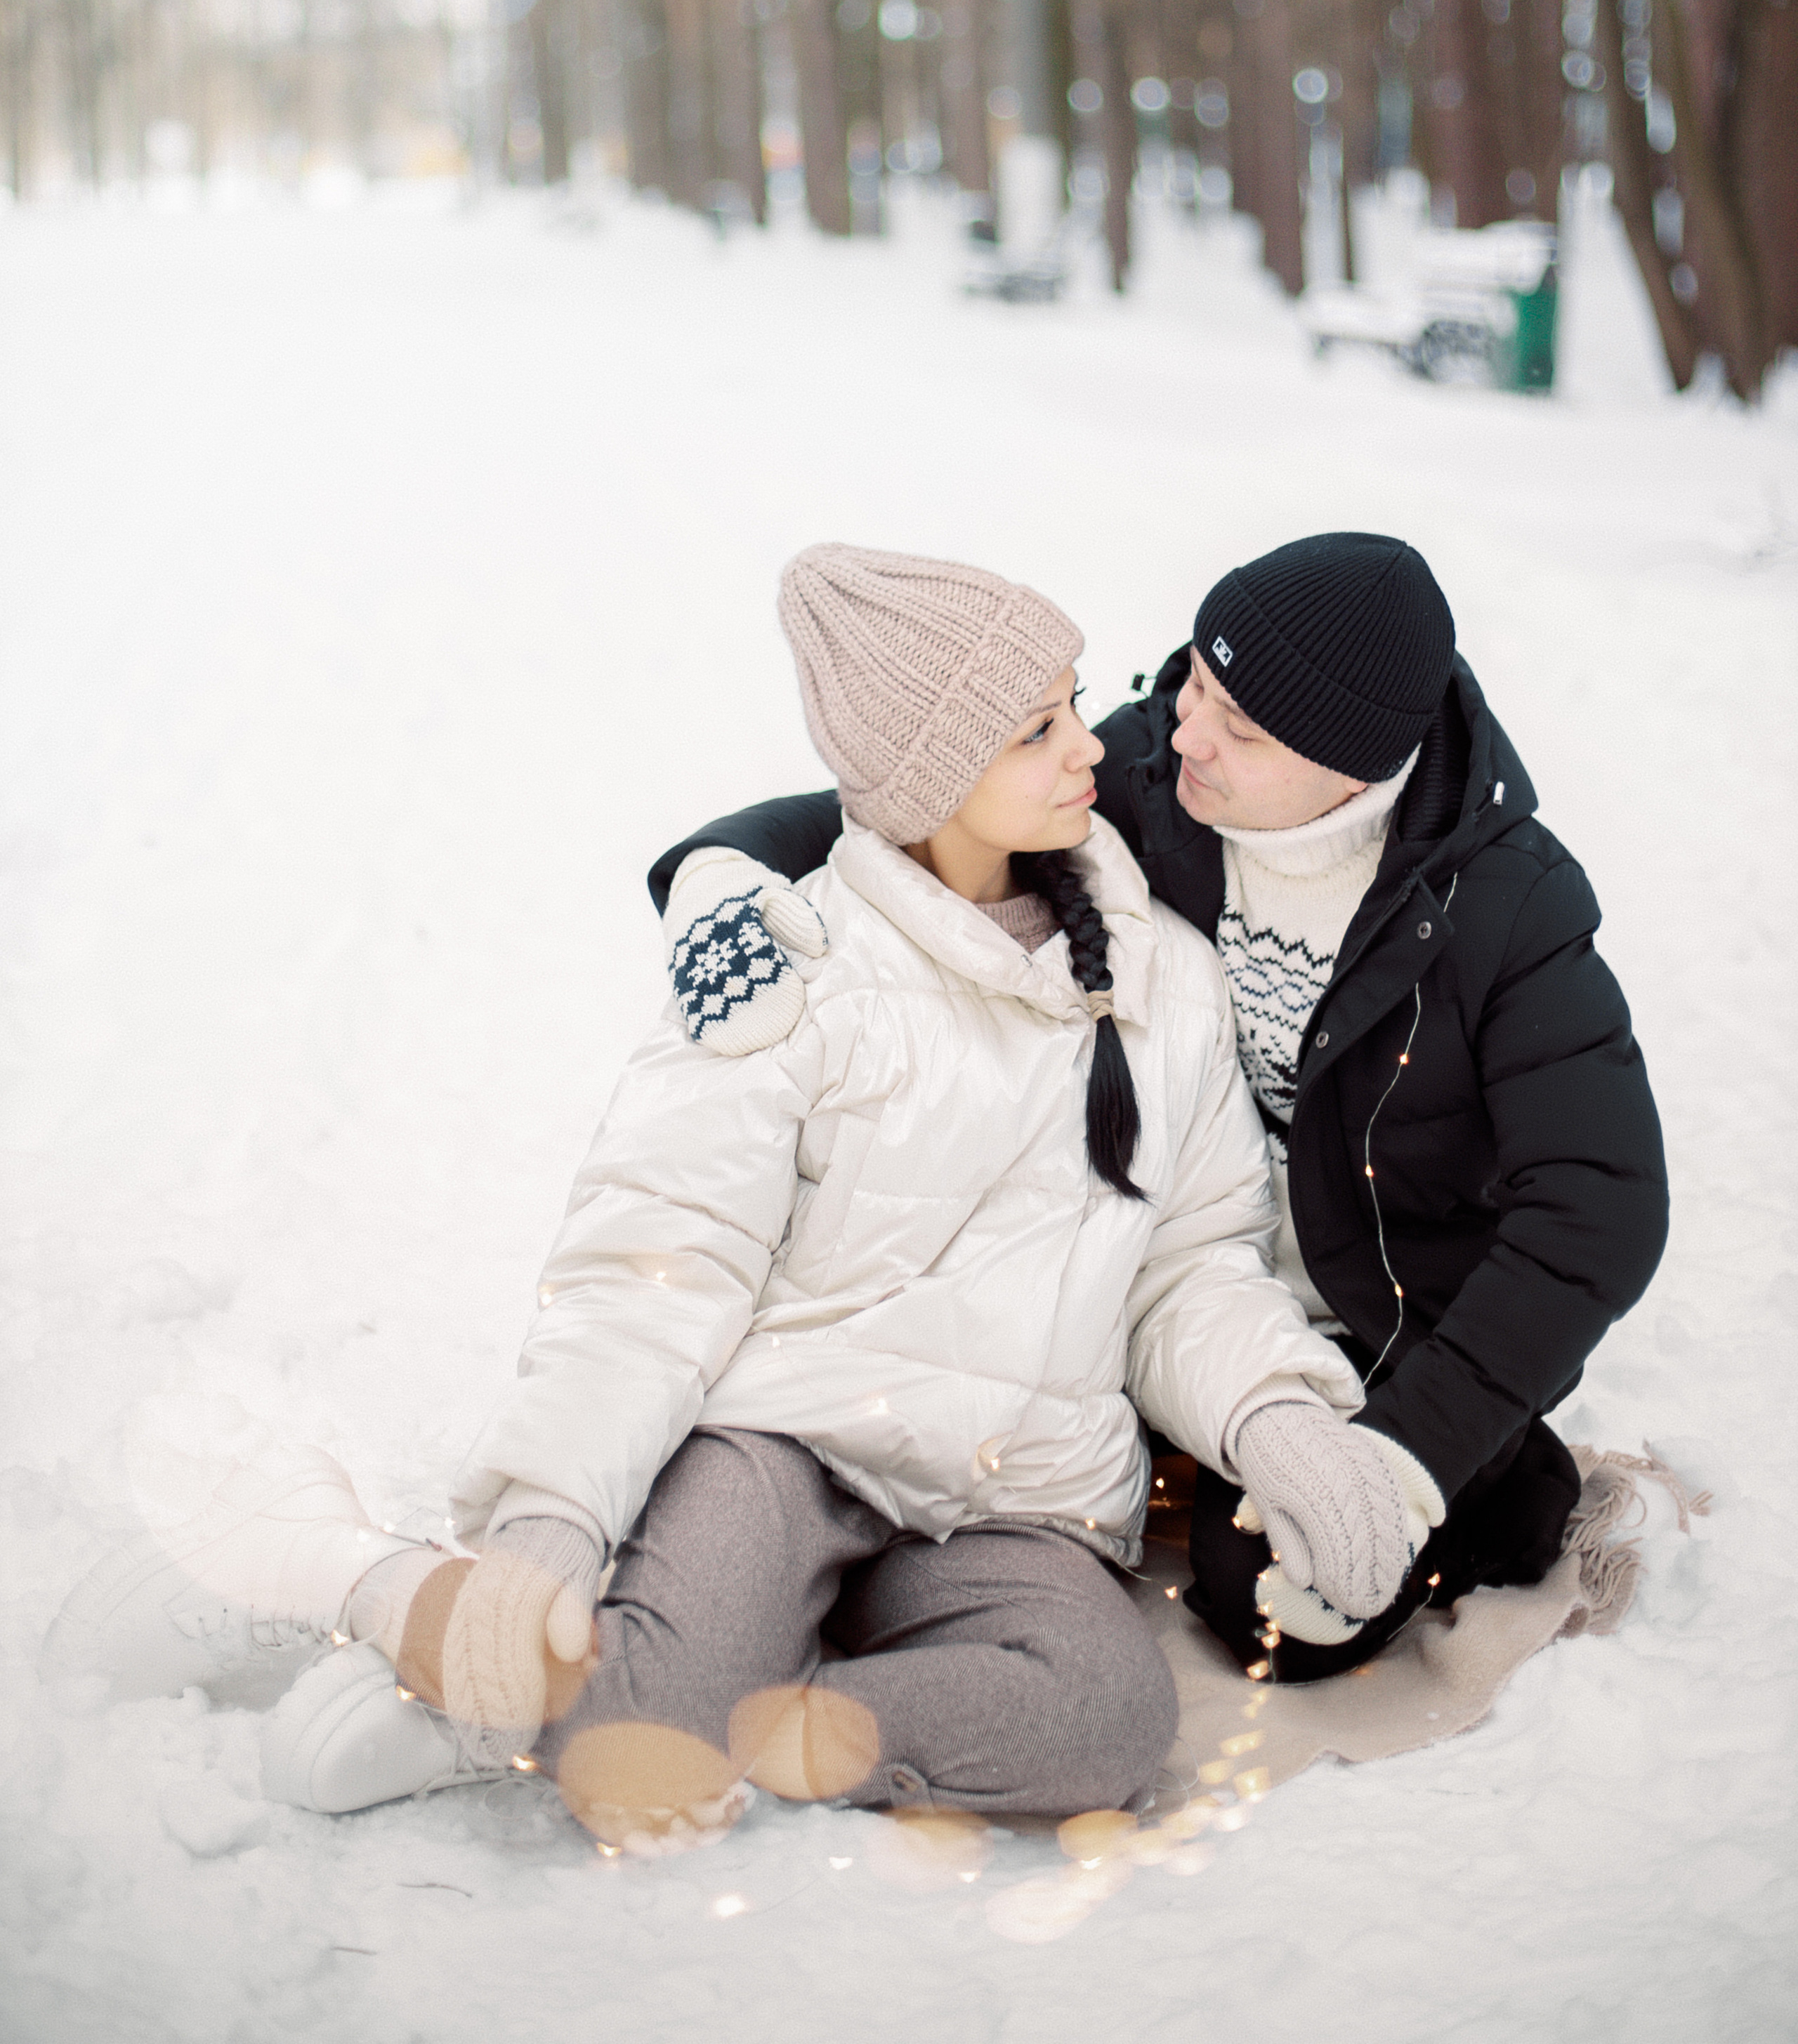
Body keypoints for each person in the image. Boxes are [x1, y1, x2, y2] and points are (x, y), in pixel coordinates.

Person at [48, 545, 1434, 1839]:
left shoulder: (1161, 981)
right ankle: (348, 1574)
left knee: (1104, 1724)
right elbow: (658, 1261)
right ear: (928, 770)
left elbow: (1190, 1267)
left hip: (1010, 1493)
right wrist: (550, 1515)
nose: (1096, 745)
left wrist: (1278, 1423)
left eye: (1072, 704)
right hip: (790, 1443)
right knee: (639, 1704)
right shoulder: (790, 972)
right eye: (1037, 728)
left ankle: (682, 1715)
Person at [644, 532, 1670, 1679]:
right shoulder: (1155, 779)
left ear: (1358, 767)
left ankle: (1495, 1479)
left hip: (1377, 1329)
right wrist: (721, 871)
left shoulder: (1508, 908)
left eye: (1241, 727)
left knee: (1264, 1613)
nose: (1186, 731)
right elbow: (933, 794)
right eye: (1196, 684)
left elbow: (1601, 1210)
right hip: (1168, 1271)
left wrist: (1407, 1455)